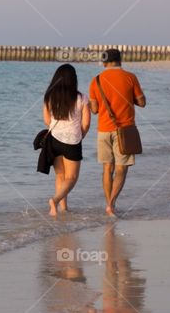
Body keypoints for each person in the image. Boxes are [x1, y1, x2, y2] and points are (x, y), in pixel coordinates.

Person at [88, 49, 146, 216]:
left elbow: (94, 109)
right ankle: (112, 204)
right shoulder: (130, 77)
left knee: (107, 168)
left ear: (105, 62)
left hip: (104, 131)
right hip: (125, 131)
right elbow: (142, 102)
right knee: (121, 169)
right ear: (120, 60)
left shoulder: (96, 80)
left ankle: (109, 204)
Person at [43, 63, 91, 216]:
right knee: (72, 178)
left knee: (60, 176)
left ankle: (62, 209)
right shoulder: (82, 98)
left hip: (54, 139)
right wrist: (80, 135)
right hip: (72, 140)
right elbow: (86, 123)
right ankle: (55, 201)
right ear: (73, 79)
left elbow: (47, 121)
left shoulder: (49, 96)